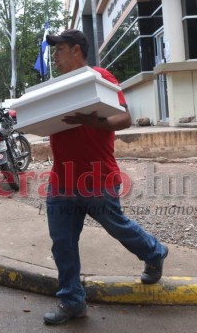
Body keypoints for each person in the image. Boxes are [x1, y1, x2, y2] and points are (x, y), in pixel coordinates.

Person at [42, 29, 168, 325]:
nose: (55, 57)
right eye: (54, 52)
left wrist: (93, 121)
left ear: (76, 50)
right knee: (62, 243)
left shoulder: (100, 77)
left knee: (118, 227)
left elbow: (124, 118)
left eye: (59, 50)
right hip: (62, 179)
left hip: (96, 178)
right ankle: (72, 301)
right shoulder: (57, 85)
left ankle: (155, 252)